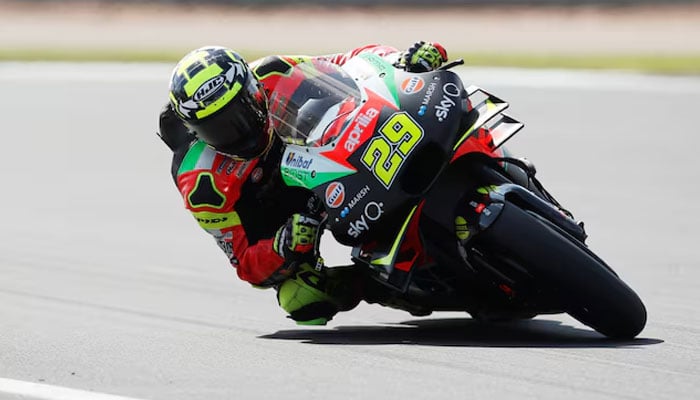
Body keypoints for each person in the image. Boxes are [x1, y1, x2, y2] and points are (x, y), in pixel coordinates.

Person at [157, 41, 449, 325]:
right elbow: (245, 263)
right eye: (218, 128)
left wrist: (401, 61)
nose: (239, 131)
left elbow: (350, 65)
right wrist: (282, 244)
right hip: (283, 209)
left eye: (242, 110)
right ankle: (377, 285)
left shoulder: (273, 73)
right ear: (195, 130)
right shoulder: (202, 182)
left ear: (253, 89)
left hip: (321, 156)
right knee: (301, 297)